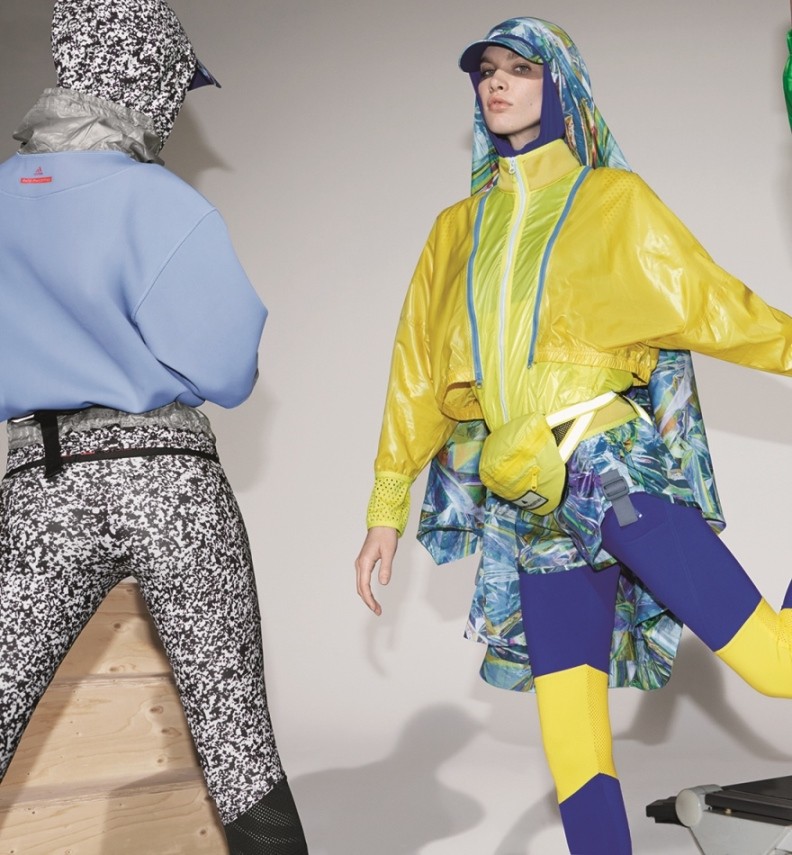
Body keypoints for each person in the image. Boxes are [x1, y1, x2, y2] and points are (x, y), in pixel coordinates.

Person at [355, 16, 792, 855]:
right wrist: (385, 506)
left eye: (519, 68)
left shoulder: (611, 201)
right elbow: (416, 372)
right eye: (486, 70)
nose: (496, 81)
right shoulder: (456, 229)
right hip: (526, 500)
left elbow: (716, 305)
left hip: (608, 469)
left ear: (559, 86)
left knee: (775, 668)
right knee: (572, 737)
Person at [0, 2, 309, 853]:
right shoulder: (160, 201)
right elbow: (228, 370)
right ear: (148, 78)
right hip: (164, 476)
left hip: (40, 484)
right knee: (235, 742)